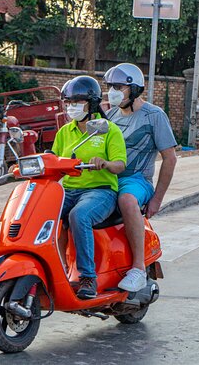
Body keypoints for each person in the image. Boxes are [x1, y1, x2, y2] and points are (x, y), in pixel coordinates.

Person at [103, 63, 178, 292]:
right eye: (110, 87)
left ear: (134, 89)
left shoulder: (154, 115)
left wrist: (156, 199)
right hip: (109, 177)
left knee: (126, 200)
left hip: (137, 180)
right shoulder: (111, 115)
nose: (113, 91)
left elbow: (170, 158)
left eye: (118, 87)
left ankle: (136, 268)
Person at [52, 76, 127, 299]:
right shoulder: (64, 132)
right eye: (68, 102)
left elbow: (120, 164)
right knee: (43, 214)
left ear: (92, 103)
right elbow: (54, 160)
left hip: (101, 191)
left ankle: (87, 278)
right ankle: (57, 268)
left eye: (77, 101)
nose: (71, 107)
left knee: (79, 216)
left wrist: (103, 163)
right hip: (69, 190)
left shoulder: (108, 130)